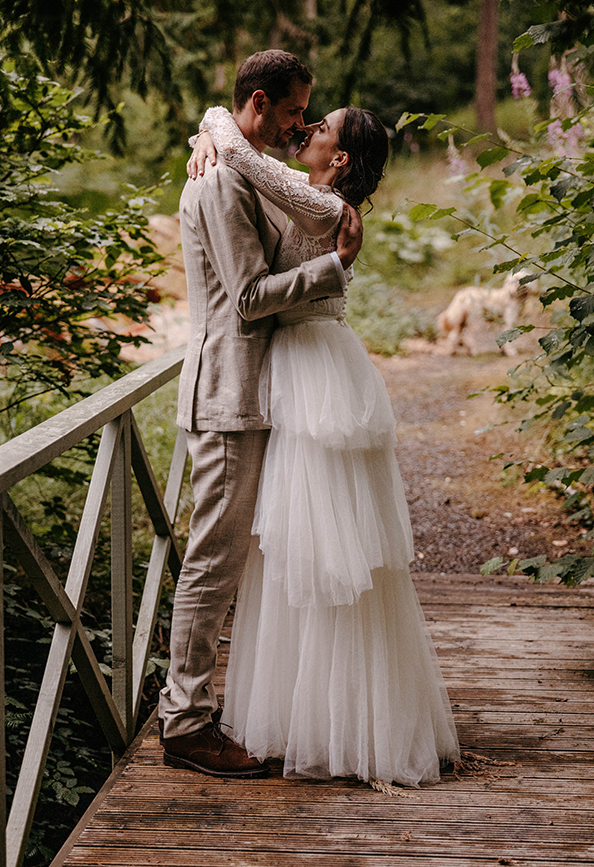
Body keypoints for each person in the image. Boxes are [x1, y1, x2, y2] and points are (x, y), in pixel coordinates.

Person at [185, 103, 461, 786]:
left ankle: (330, 720)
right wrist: (205, 138)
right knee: (304, 548)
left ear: (337, 160)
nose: (307, 131)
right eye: (306, 120)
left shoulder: (317, 202)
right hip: (315, 366)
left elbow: (247, 161)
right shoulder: (313, 193)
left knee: (320, 550)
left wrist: (216, 118)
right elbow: (248, 165)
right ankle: (317, 712)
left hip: (311, 374)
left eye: (321, 128)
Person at [157, 50, 365, 779]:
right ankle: (184, 721)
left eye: (305, 113)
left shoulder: (232, 158)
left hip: (247, 394)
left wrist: (209, 127)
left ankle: (197, 709)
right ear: (255, 103)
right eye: (290, 112)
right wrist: (332, 269)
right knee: (211, 562)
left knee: (226, 559)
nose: (299, 124)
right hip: (225, 394)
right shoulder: (217, 182)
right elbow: (247, 297)